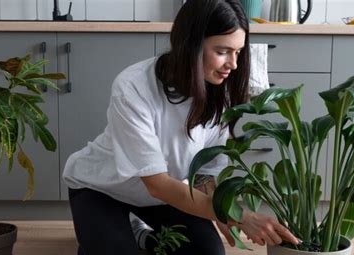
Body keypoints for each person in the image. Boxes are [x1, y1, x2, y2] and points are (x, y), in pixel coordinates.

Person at [62, 0, 299, 254]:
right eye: (222, 51)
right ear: (191, 45)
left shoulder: (220, 92)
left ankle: (142, 235)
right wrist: (239, 215)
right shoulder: (133, 87)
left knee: (210, 252)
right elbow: (157, 184)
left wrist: (224, 212)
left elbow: (205, 173)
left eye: (238, 52)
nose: (234, 64)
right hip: (102, 189)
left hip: (162, 198)